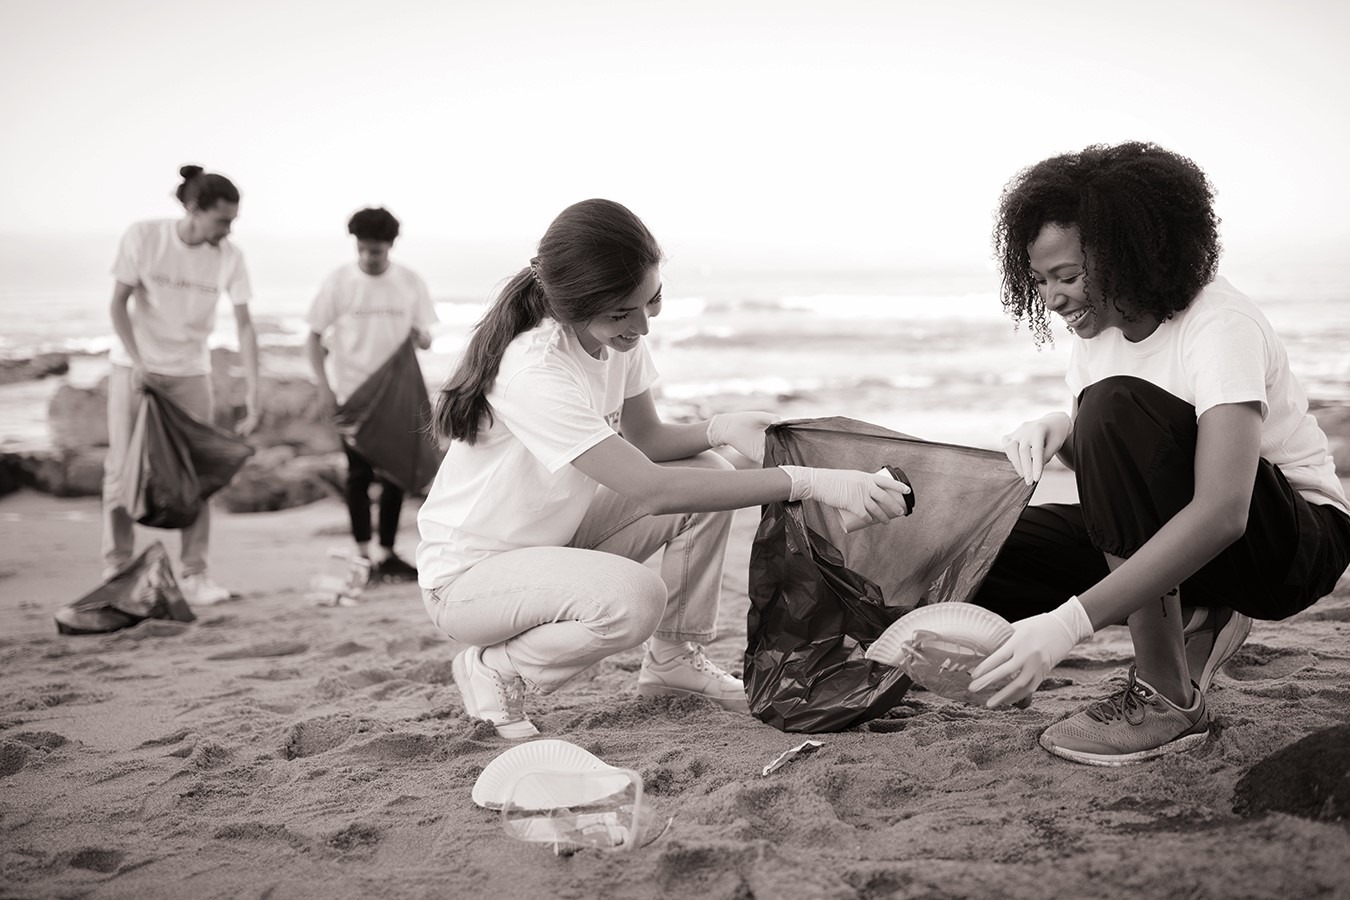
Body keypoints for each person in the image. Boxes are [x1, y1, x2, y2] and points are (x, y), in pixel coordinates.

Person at [418, 198, 913, 738]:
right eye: (621, 315)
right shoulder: (533, 370)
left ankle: (674, 660)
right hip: (470, 581)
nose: (641, 327)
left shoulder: (613, 336)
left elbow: (648, 440)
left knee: (711, 473)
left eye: (650, 301)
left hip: (553, 548)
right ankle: (492, 668)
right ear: (570, 305)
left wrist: (719, 427)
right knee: (634, 600)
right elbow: (652, 490)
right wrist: (813, 482)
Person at [967, 142, 1350, 765]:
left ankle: (1168, 693)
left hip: (1289, 543)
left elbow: (1225, 510)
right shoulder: (1100, 332)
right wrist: (1060, 431)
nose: (1054, 299)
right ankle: (1201, 608)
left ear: (1128, 256)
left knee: (1112, 406)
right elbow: (1123, 476)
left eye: (1068, 277)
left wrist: (1067, 625)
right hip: (1201, 543)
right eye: (1040, 281)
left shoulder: (1217, 323)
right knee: (990, 547)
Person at [103, 164, 261, 606]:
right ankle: (117, 569)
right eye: (222, 220)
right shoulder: (144, 236)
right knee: (122, 469)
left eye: (233, 220)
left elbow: (246, 326)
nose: (228, 229)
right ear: (194, 208)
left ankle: (194, 574)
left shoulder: (230, 256)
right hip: (133, 371)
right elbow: (118, 305)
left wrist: (253, 390)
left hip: (192, 372)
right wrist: (138, 362)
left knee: (195, 472)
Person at [306, 207, 436, 582]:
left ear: (390, 246)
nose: (367, 257)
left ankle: (386, 551)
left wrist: (420, 337)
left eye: (375, 251)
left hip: (397, 396)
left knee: (396, 472)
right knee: (358, 475)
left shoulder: (409, 282)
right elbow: (313, 337)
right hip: (352, 393)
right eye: (362, 249)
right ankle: (363, 553)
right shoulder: (339, 282)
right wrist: (324, 386)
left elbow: (425, 338)